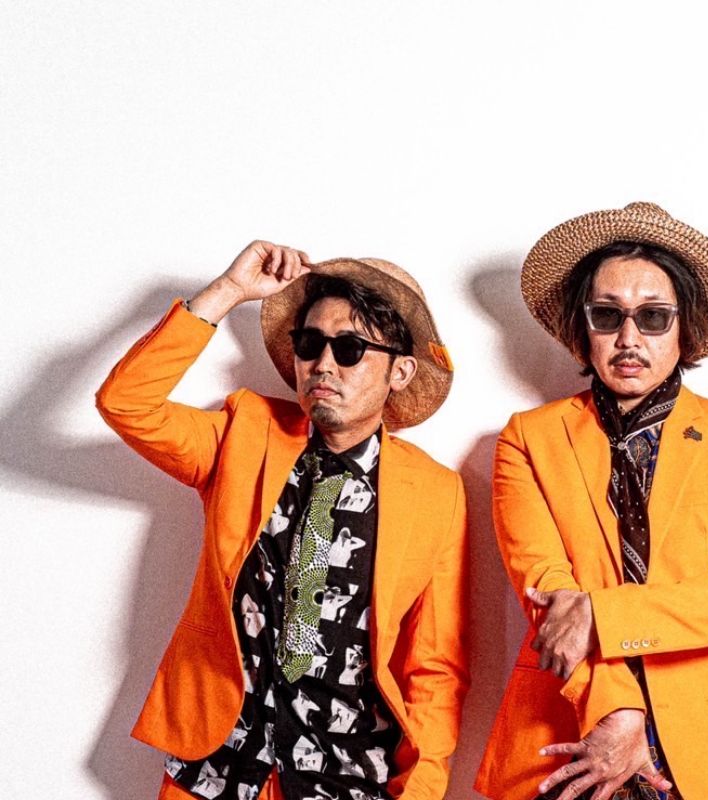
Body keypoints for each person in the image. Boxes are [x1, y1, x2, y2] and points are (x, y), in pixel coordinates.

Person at [96, 241, 468, 800]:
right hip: (216, 766)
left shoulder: (437, 492)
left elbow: (435, 666)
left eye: (350, 349)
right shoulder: (244, 432)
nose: (323, 364)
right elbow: (127, 403)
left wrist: (419, 793)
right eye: (310, 344)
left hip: (345, 774)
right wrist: (228, 291)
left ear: (400, 370)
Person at [474, 202, 708, 800]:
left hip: (701, 751)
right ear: (583, 326)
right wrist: (617, 712)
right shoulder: (528, 439)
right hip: (563, 735)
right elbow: (547, 592)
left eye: (653, 317)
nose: (628, 339)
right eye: (607, 315)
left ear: (684, 327)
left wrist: (604, 615)